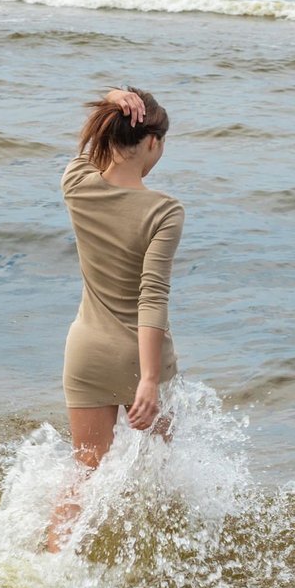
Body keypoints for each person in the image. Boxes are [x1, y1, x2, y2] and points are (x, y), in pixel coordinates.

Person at [45, 85, 185, 553]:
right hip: (139, 357)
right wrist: (149, 379)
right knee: (161, 464)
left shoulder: (76, 185)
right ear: (153, 143)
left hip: (85, 353)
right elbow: (152, 296)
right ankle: (156, 557)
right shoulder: (164, 210)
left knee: (84, 470)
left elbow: (84, 152)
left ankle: (54, 564)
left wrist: (112, 96)